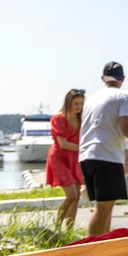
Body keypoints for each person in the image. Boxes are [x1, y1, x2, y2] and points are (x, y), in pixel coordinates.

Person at [78, 62, 128, 237]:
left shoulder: (92, 99)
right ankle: (94, 248)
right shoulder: (125, 96)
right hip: (108, 155)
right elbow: (127, 128)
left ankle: (103, 244)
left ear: (103, 78)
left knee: (105, 206)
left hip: (87, 156)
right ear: (123, 79)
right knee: (103, 208)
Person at [45, 88, 86, 231]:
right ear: (68, 103)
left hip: (74, 157)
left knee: (76, 196)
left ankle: (69, 231)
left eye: (81, 104)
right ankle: (56, 228)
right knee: (72, 195)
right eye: (76, 104)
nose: (79, 107)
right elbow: (63, 144)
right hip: (59, 158)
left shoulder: (82, 118)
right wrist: (85, 148)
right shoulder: (58, 118)